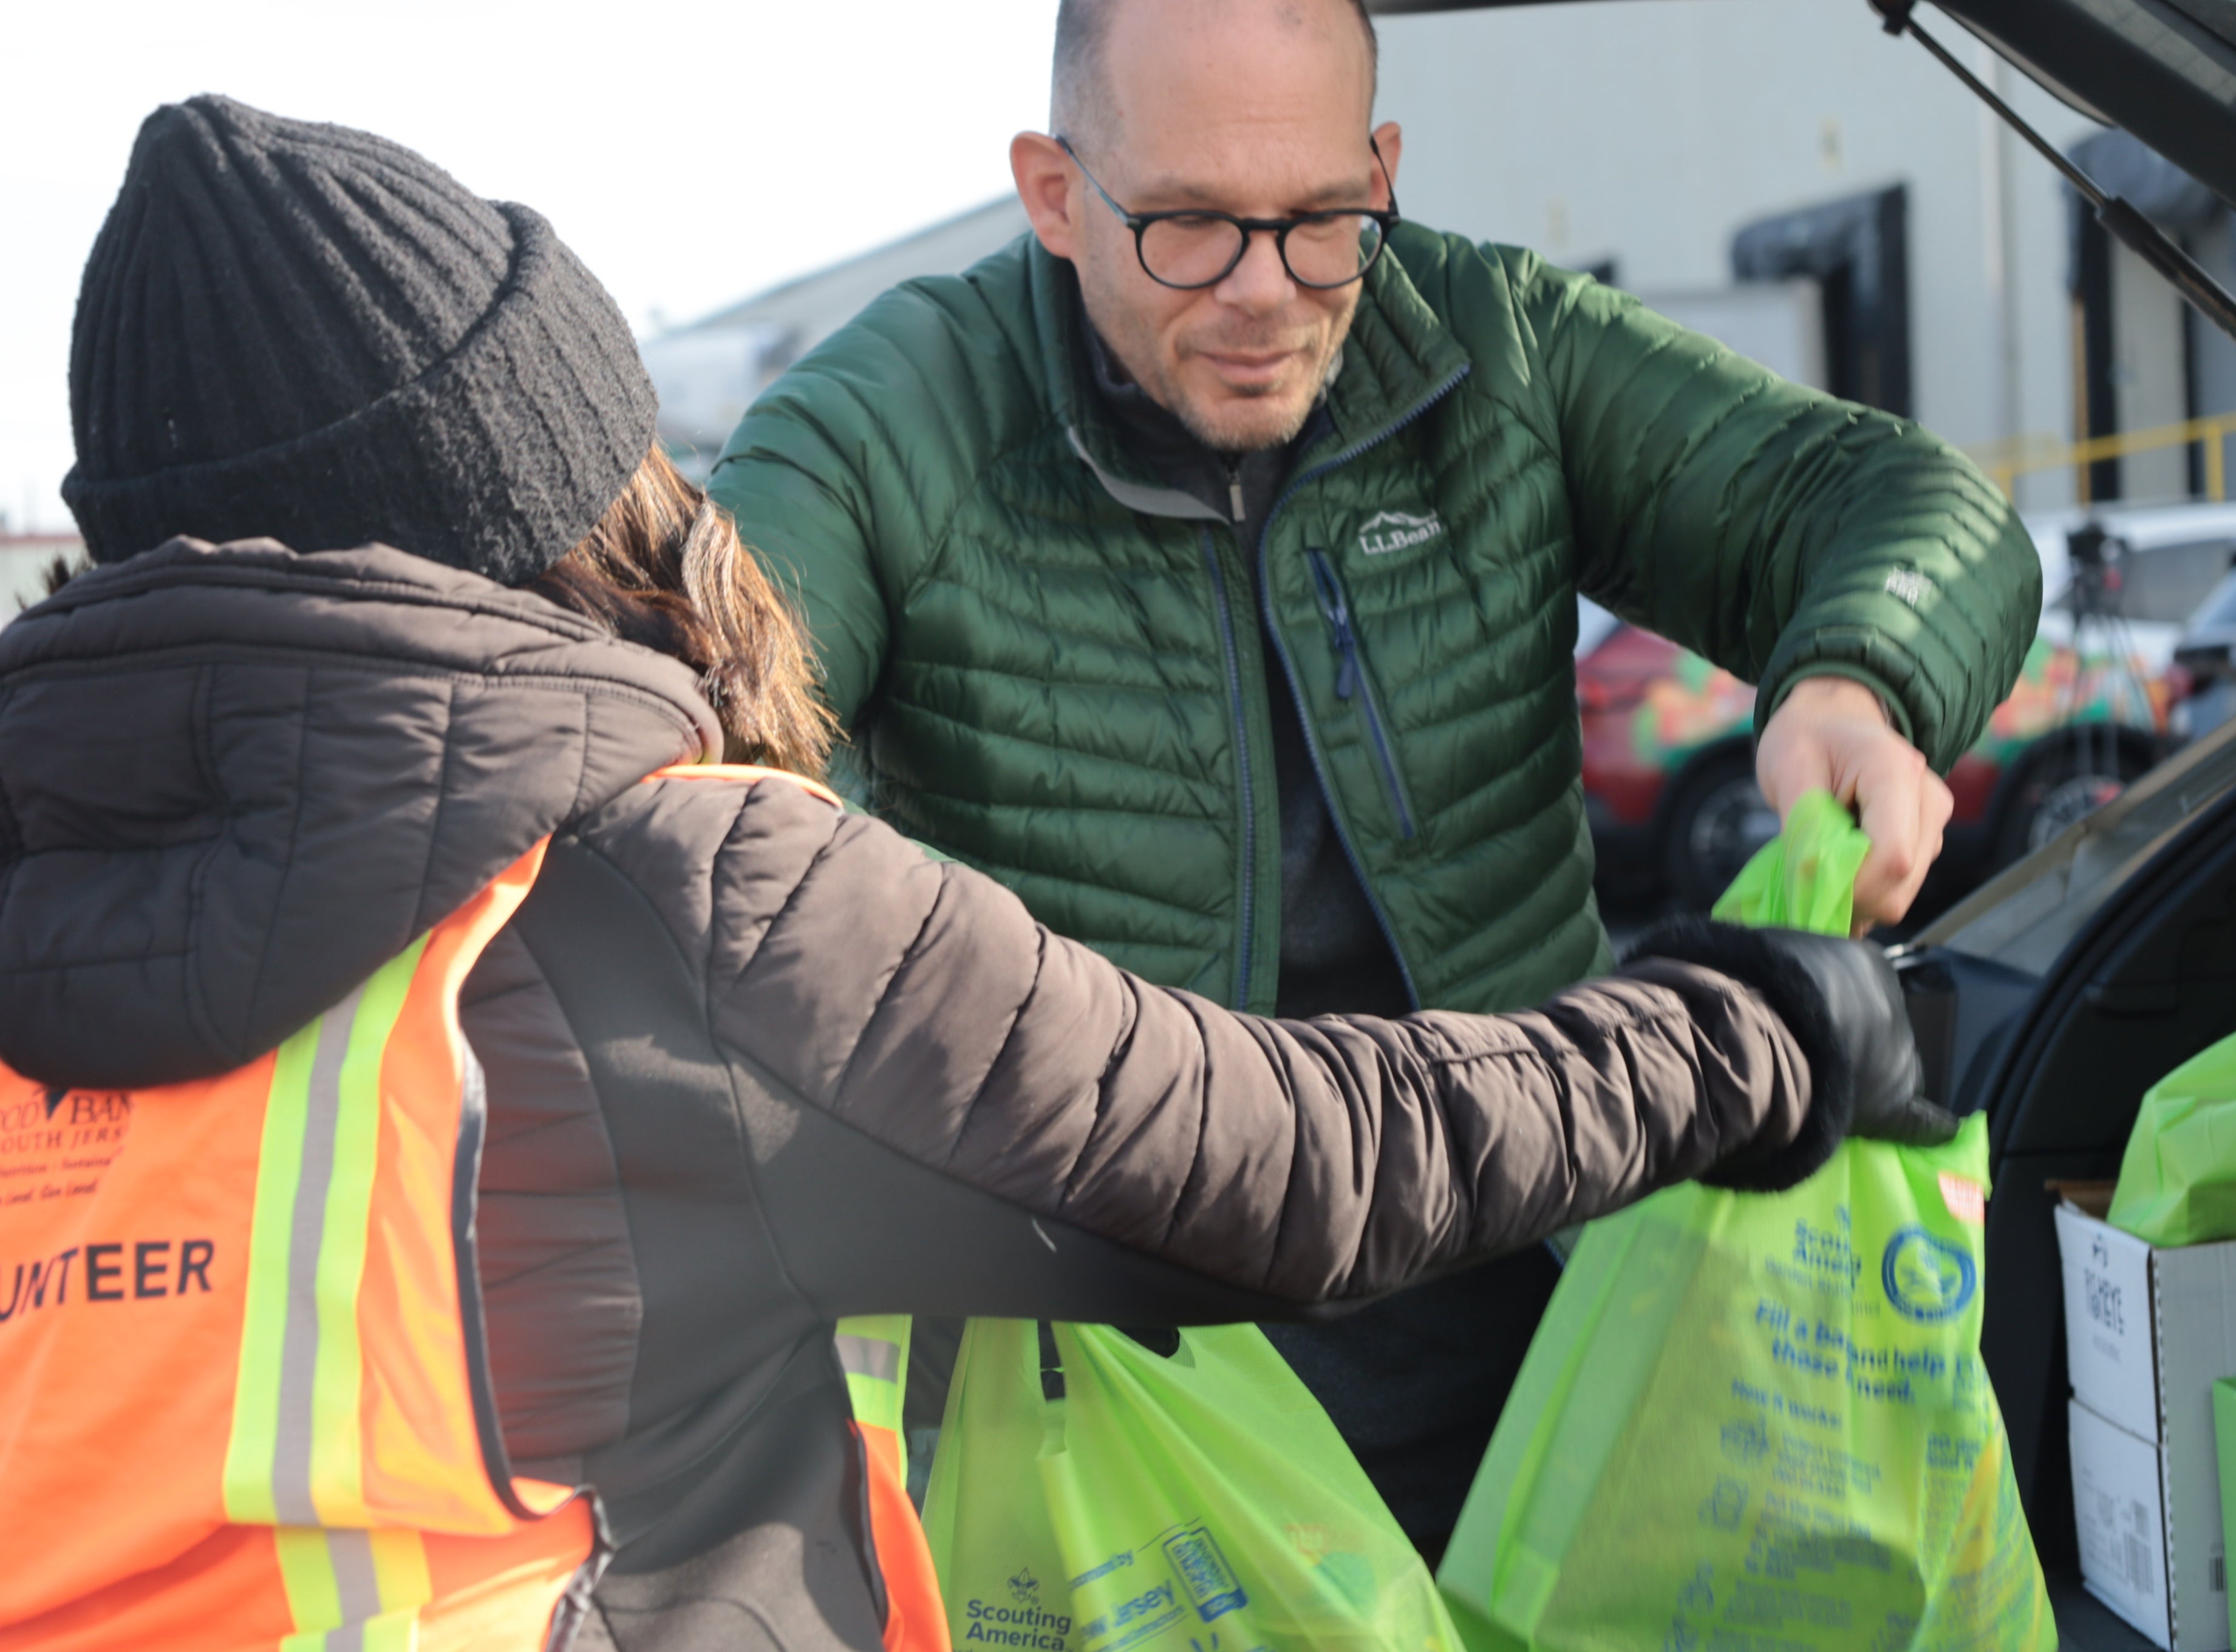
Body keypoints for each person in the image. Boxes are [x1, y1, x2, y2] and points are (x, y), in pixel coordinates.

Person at [0, 98, 1951, 1652]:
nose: (1262, 281)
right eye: (1187, 216)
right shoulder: (662, 902)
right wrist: (1755, 1025)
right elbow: (1293, 1162)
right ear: (565, 503)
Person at [706, 0, 2039, 1551]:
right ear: (1056, 194)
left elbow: (1902, 501)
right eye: (1192, 226)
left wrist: (1857, 680)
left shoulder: (1492, 351)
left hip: (1547, 1342)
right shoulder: (893, 418)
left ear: (1383, 170)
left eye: (1323, 221)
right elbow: (713, 745)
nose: (1268, 292)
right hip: (1127, 1407)